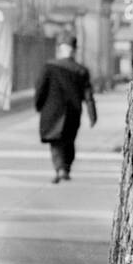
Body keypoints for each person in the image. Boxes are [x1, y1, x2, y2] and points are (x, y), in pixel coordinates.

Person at [35, 32, 97, 183]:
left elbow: (40, 89)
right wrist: (92, 114)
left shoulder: (49, 67)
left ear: (60, 49)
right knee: (69, 140)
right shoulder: (81, 70)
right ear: (74, 50)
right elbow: (88, 95)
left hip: (51, 111)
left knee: (55, 141)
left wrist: (38, 105)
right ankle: (65, 168)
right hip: (73, 111)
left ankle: (60, 168)